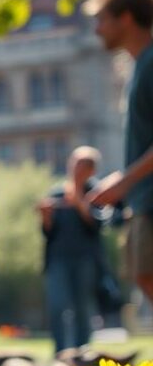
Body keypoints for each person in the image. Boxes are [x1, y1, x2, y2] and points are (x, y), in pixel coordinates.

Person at [85, 0, 153, 305]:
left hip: (149, 200)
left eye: (101, 18)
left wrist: (124, 181)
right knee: (144, 276)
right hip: (143, 200)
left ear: (125, 17)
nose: (96, 29)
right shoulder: (140, 64)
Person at [40, 146, 113, 352]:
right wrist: (45, 216)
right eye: (77, 163)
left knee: (83, 308)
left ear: (92, 169)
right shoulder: (56, 192)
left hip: (86, 260)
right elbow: (48, 232)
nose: (79, 169)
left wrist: (79, 201)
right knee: (57, 306)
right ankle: (61, 353)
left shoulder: (97, 193)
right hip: (57, 259)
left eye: (85, 165)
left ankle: (83, 353)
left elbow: (97, 225)